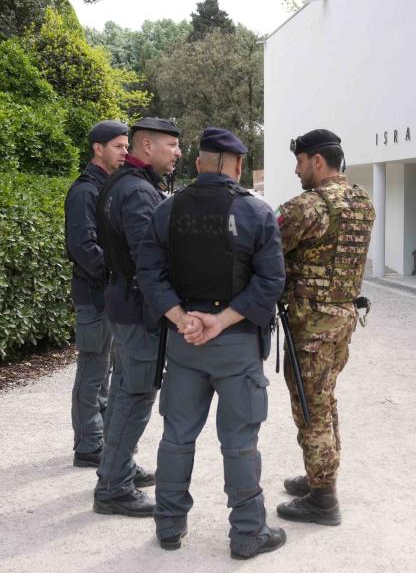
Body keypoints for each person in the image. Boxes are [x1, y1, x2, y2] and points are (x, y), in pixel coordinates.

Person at [135, 127, 287, 559]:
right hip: (235, 341)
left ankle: (168, 526)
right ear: (237, 165)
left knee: (177, 437)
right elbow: (271, 281)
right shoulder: (257, 213)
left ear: (200, 163)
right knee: (239, 441)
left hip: (185, 341)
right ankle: (246, 533)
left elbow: (150, 273)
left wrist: (183, 318)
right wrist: (219, 321)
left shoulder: (167, 209)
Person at [274, 128, 375, 527]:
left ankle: (323, 499)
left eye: (300, 162)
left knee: (311, 405)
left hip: (311, 323)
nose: (297, 170)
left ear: (317, 161)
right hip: (344, 318)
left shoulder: (309, 207)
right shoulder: (363, 201)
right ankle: (321, 476)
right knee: (326, 399)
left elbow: (266, 246)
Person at [91, 117, 182, 517]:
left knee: (128, 388)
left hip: (121, 299)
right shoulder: (140, 192)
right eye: (172, 146)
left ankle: (117, 468)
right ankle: (113, 486)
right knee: (137, 393)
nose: (178, 153)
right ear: (147, 147)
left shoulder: (120, 182)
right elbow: (150, 258)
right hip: (136, 305)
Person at [64, 120, 129, 468]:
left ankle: (98, 438)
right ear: (98, 149)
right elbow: (82, 246)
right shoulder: (85, 191)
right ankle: (88, 444)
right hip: (94, 294)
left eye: (125, 146)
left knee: (106, 369)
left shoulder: (108, 187)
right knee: (93, 369)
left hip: (110, 293)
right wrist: (116, 272)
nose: (125, 152)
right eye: (118, 146)